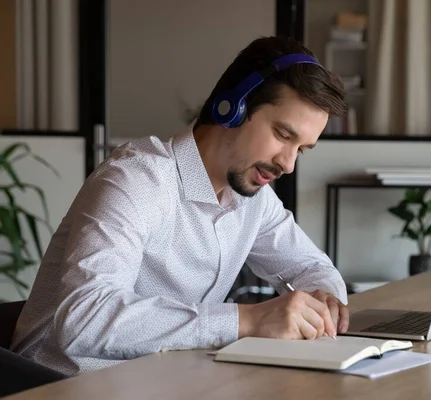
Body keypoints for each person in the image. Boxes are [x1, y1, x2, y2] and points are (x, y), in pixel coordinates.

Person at [10, 36, 350, 376]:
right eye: (282, 134)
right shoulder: (136, 179)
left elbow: (310, 266)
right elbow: (85, 320)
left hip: (159, 381)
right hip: (58, 385)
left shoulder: (254, 199)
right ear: (233, 107)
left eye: (302, 149)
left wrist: (326, 303)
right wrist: (246, 320)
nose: (288, 164)